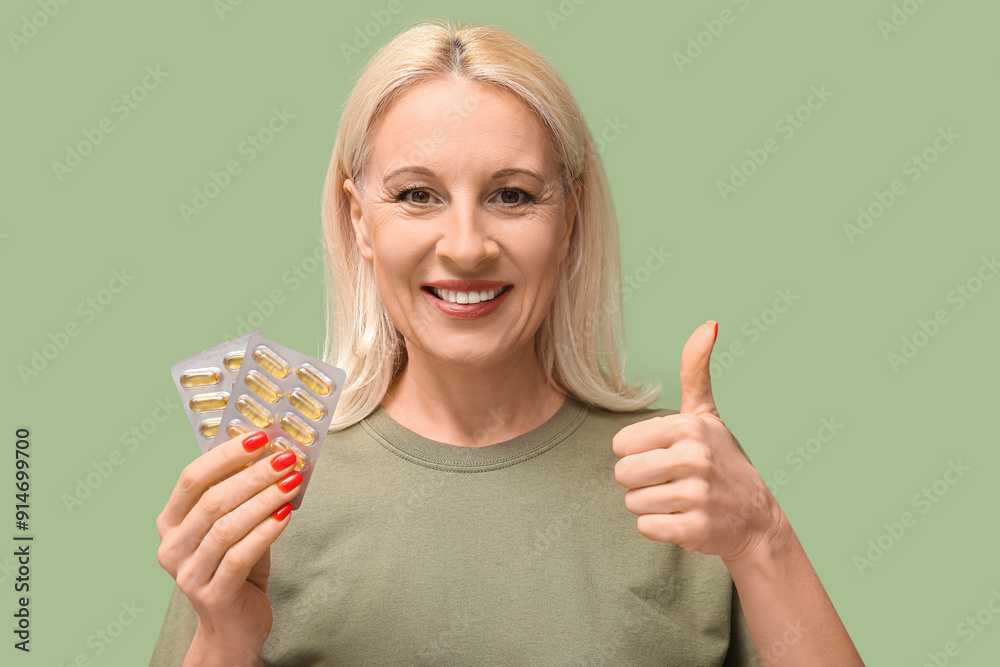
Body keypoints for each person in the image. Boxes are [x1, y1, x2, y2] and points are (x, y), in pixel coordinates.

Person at [150, 17, 864, 666]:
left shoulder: (687, 486)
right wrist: (223, 636)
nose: (465, 247)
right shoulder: (265, 495)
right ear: (359, 220)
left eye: (513, 195)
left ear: (571, 217)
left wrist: (763, 536)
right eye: (416, 195)